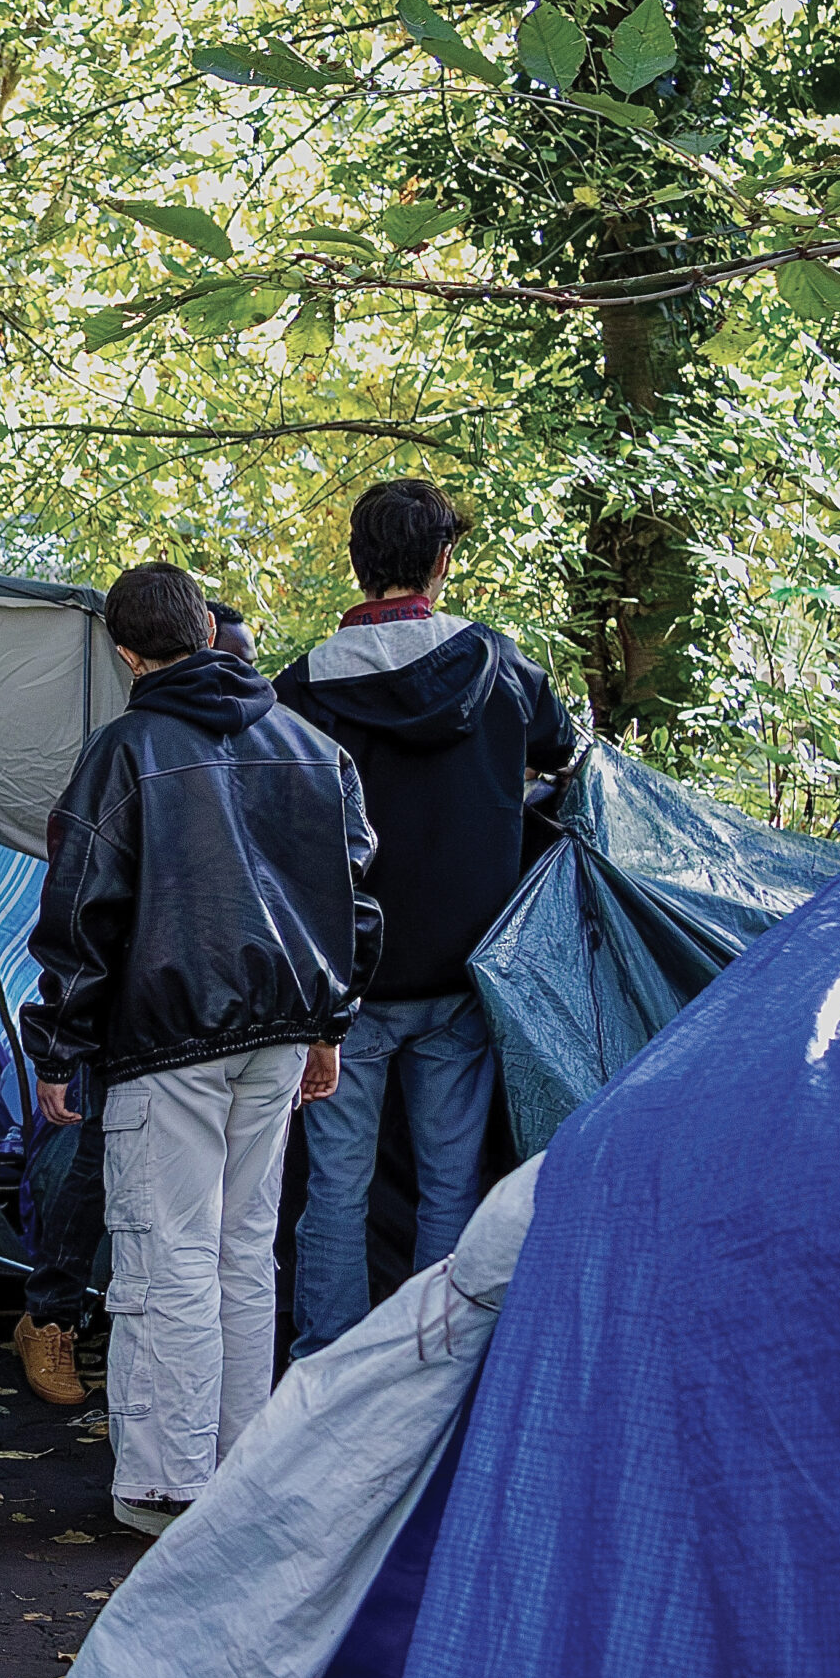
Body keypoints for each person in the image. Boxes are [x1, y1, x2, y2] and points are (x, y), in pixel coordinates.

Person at [26, 562, 379, 1537]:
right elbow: (354, 900)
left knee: (167, 1254)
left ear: (125, 649)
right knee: (239, 1249)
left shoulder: (125, 749)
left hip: (165, 1036)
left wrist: (57, 1045)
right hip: (276, 1034)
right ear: (206, 632)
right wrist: (328, 1022)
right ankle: (231, 1475)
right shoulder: (313, 747)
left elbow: (79, 908)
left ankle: (162, 1484)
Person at [274, 478, 579, 1356]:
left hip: (347, 988)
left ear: (356, 560)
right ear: (444, 562)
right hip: (464, 976)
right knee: (451, 1184)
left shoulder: (302, 690)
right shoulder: (500, 669)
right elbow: (568, 764)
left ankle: (321, 1373)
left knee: (334, 1188)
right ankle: (434, 1370)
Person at [10, 595, 265, 1408]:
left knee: (204, 1249)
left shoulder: (273, 745)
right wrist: (65, 1041)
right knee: (184, 1233)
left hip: (234, 1017)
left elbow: (330, 889)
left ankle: (173, 1459)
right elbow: (86, 901)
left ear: (127, 654)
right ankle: (58, 1321)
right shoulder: (141, 750)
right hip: (159, 1015)